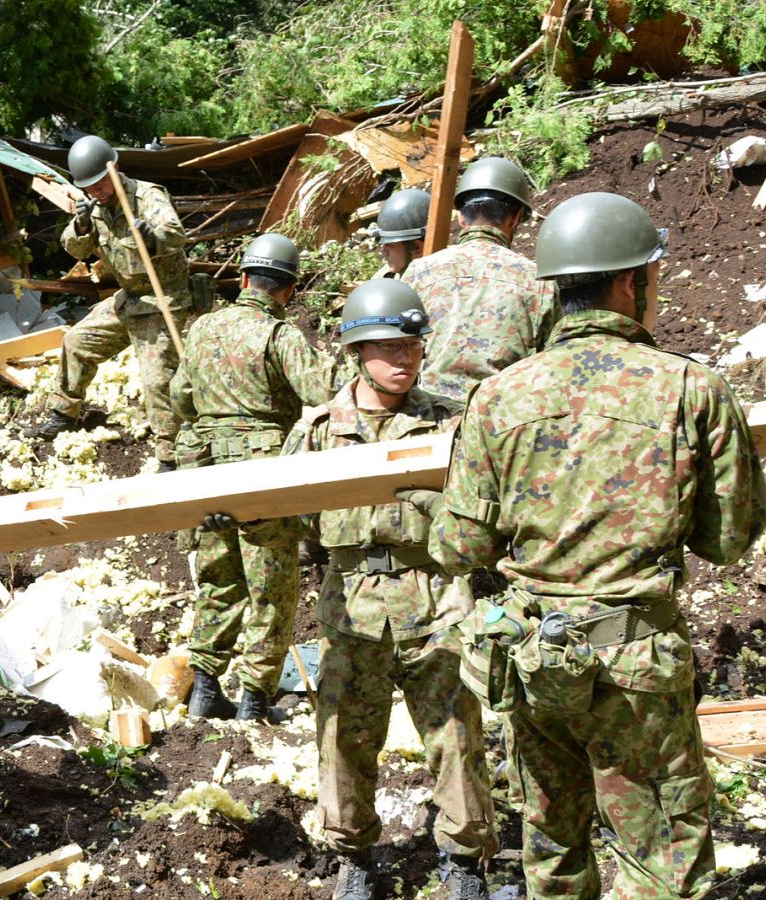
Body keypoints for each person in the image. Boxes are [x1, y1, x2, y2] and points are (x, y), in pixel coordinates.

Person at [429, 192, 766, 899]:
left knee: (553, 849)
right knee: (661, 858)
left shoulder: (497, 397)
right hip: (636, 665)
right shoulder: (690, 390)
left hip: (533, 660)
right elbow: (729, 538)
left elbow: (458, 545)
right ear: (628, 282)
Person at [281, 279, 493, 900]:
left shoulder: (450, 421)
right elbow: (291, 521)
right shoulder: (318, 430)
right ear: (355, 350)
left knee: (456, 736)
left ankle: (463, 860)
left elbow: (482, 507)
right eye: (387, 347)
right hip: (353, 607)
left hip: (438, 603)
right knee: (343, 737)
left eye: (412, 345)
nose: (404, 358)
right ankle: (354, 857)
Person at [171, 232, 333, 720]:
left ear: (243, 278)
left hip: (205, 468)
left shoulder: (202, 328)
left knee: (220, 581)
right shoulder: (280, 336)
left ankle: (204, 690)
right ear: (287, 290)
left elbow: (180, 395)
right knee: (273, 587)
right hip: (262, 472)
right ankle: (254, 701)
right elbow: (321, 392)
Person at [35, 135, 192, 471]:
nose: (99, 192)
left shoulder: (147, 195)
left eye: (102, 183)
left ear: (115, 168)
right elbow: (74, 249)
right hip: (129, 298)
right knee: (76, 340)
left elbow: (176, 234)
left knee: (157, 380)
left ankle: (169, 455)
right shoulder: (94, 209)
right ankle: (64, 411)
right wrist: (80, 223)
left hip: (162, 298)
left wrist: (152, 236)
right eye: (91, 188)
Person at [401, 157, 558, 401]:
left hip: (431, 420)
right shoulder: (539, 281)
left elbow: (396, 347)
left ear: (462, 218)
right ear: (515, 218)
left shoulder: (418, 272)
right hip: (500, 422)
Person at [372, 188, 431, 278]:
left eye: (390, 246)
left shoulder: (440, 280)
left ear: (416, 248)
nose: (384, 253)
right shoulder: (385, 278)